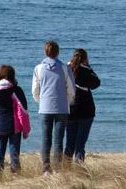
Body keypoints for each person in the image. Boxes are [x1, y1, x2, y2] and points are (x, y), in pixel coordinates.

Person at [32, 40, 76, 175]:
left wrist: (41, 101)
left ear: (45, 52)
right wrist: (68, 101)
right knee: (58, 140)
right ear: (57, 52)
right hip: (61, 108)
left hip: (45, 108)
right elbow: (71, 89)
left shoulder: (38, 68)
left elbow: (35, 90)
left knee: (46, 139)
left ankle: (46, 169)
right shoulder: (64, 67)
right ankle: (56, 169)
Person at [0, 65, 31, 174]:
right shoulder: (16, 90)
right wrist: (26, 130)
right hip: (15, 127)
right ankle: (16, 176)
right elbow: (23, 112)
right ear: (12, 76)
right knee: (14, 154)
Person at [64, 48, 101, 163]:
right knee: (80, 145)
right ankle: (79, 168)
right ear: (85, 59)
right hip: (86, 111)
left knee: (69, 143)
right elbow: (96, 83)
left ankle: (66, 169)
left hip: (70, 110)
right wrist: (88, 67)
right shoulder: (86, 71)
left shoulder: (67, 69)